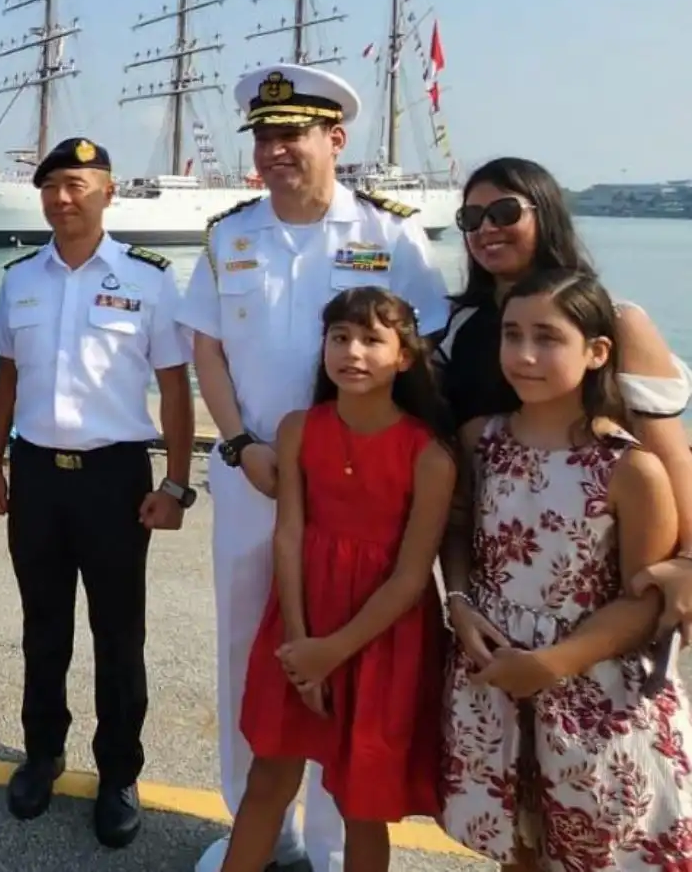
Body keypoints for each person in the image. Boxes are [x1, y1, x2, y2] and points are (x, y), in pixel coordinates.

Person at [179, 63, 450, 872]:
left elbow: (422, 350)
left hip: (357, 489)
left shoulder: (387, 234)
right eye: (264, 137)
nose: (274, 150)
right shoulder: (231, 234)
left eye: (291, 134)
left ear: (336, 138)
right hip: (255, 475)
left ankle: (335, 841)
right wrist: (237, 444)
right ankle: (259, 825)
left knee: (350, 651)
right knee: (245, 647)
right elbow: (207, 347)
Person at [0, 136, 195, 844]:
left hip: (114, 478)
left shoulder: (150, 277)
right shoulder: (20, 278)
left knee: (118, 633)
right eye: (51, 187)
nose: (62, 198)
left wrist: (175, 483)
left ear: (108, 191)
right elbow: (6, 377)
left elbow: (173, 387)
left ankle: (119, 772)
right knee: (43, 628)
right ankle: (42, 754)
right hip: (38, 474)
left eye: (76, 184)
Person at [438, 269, 692, 869]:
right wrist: (460, 602)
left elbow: (642, 601)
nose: (524, 356)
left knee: (597, 849)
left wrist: (552, 664)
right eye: (512, 334)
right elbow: (459, 532)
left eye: (548, 338)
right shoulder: (483, 440)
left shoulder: (631, 469)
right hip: (495, 678)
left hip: (591, 692)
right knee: (517, 846)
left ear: (597, 351)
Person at [221, 288, 454, 872]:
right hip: (301, 621)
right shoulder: (299, 427)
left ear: (404, 357)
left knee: (362, 805)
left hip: (379, 639)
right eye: (340, 337)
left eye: (373, 339)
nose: (353, 351)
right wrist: (301, 647)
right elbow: (290, 533)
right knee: (268, 778)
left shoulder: (429, 455)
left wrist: (331, 652)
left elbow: (409, 578)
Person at [438, 156, 692, 646]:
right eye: (471, 219)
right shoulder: (458, 326)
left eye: (505, 213)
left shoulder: (617, 322)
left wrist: (687, 563)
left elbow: (670, 455)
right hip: (495, 577)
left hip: (592, 575)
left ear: (546, 214)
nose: (486, 229)